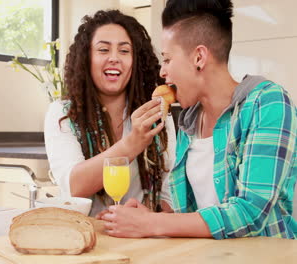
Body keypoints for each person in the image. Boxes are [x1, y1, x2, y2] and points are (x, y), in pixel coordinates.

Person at [98, 0, 297, 239]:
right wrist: (148, 218)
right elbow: (193, 214)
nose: (162, 71)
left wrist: (152, 223)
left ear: (199, 57)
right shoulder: (189, 121)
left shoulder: (268, 103)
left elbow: (250, 212)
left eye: (168, 59)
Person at [44, 10, 177, 217]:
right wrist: (132, 143)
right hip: (86, 234)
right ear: (87, 59)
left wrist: (149, 216)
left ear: (136, 61)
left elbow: (170, 192)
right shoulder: (62, 113)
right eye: (103, 49)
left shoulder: (157, 113)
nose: (114, 58)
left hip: (143, 237)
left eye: (124, 51)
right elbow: (73, 186)